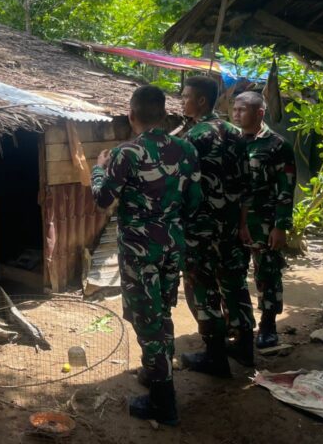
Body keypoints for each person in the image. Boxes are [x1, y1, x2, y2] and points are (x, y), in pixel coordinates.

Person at [92, 85, 201, 426]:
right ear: (164, 114)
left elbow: (102, 199)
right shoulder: (186, 149)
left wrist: (99, 169)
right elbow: (195, 202)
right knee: (162, 312)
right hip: (172, 244)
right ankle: (158, 371)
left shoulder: (128, 153)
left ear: (132, 115)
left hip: (140, 250)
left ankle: (163, 401)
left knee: (147, 320)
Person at [179, 76, 255, 373]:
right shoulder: (237, 134)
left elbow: (182, 187)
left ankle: (215, 357)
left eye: (186, 96)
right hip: (232, 227)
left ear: (200, 101)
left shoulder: (193, 138)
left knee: (203, 287)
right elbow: (246, 184)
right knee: (235, 285)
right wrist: (242, 224)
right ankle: (245, 348)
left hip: (201, 231)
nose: (182, 101)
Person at [232, 91, 296, 349]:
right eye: (234, 109)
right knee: (233, 274)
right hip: (235, 223)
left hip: (265, 224)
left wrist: (281, 227)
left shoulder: (277, 145)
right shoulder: (230, 141)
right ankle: (239, 324)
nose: (236, 114)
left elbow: (286, 189)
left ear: (259, 113)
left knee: (267, 274)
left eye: (242, 109)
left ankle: (268, 324)